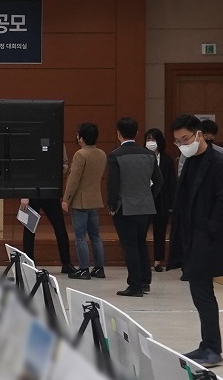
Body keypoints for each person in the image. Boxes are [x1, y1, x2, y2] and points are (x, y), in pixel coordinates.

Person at [166, 112, 223, 368]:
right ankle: (206, 345)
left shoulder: (218, 163)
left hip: (207, 239)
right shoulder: (190, 161)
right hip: (191, 237)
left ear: (199, 134)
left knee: (204, 294)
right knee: (198, 293)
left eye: (185, 139)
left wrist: (208, 230)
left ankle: (213, 348)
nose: (182, 145)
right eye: (178, 141)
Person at [105, 117, 156, 297]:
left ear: (118, 133)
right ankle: (144, 281)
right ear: (136, 132)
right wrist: (149, 197)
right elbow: (159, 182)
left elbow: (113, 184)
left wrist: (112, 205)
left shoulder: (115, 156)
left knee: (130, 245)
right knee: (141, 243)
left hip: (125, 207)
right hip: (145, 206)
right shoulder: (149, 155)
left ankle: (134, 285)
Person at [63, 122, 109, 279]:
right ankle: (99, 267)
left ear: (81, 138)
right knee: (95, 235)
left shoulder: (80, 154)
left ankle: (83, 268)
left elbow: (74, 180)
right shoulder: (102, 154)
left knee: (80, 236)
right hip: (95, 199)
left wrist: (66, 199)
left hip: (80, 201)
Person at [145, 126, 175, 271]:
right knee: (142, 230)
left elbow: (171, 183)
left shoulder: (167, 160)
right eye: (148, 139)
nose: (150, 142)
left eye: (153, 139)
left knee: (160, 231)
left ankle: (158, 260)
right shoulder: (142, 158)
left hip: (161, 200)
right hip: (145, 199)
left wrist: (171, 203)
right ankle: (142, 259)